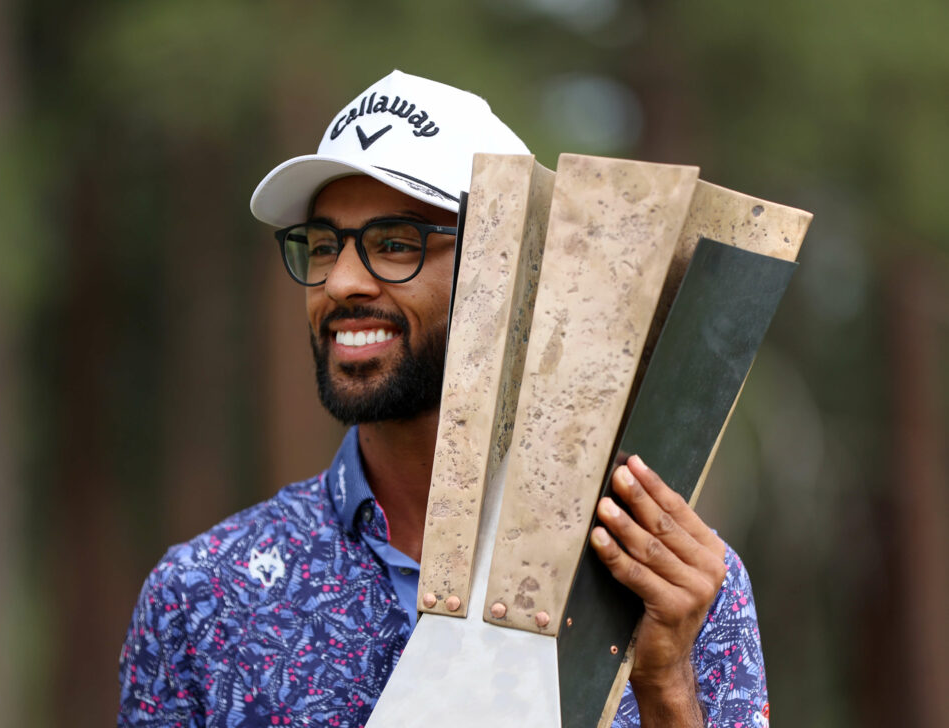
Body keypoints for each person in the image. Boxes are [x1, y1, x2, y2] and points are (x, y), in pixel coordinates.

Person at [118, 70, 768, 728]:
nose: (340, 282)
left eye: (394, 244)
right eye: (321, 246)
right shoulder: (205, 597)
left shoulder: (676, 583)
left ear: (515, 267)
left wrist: (667, 687)